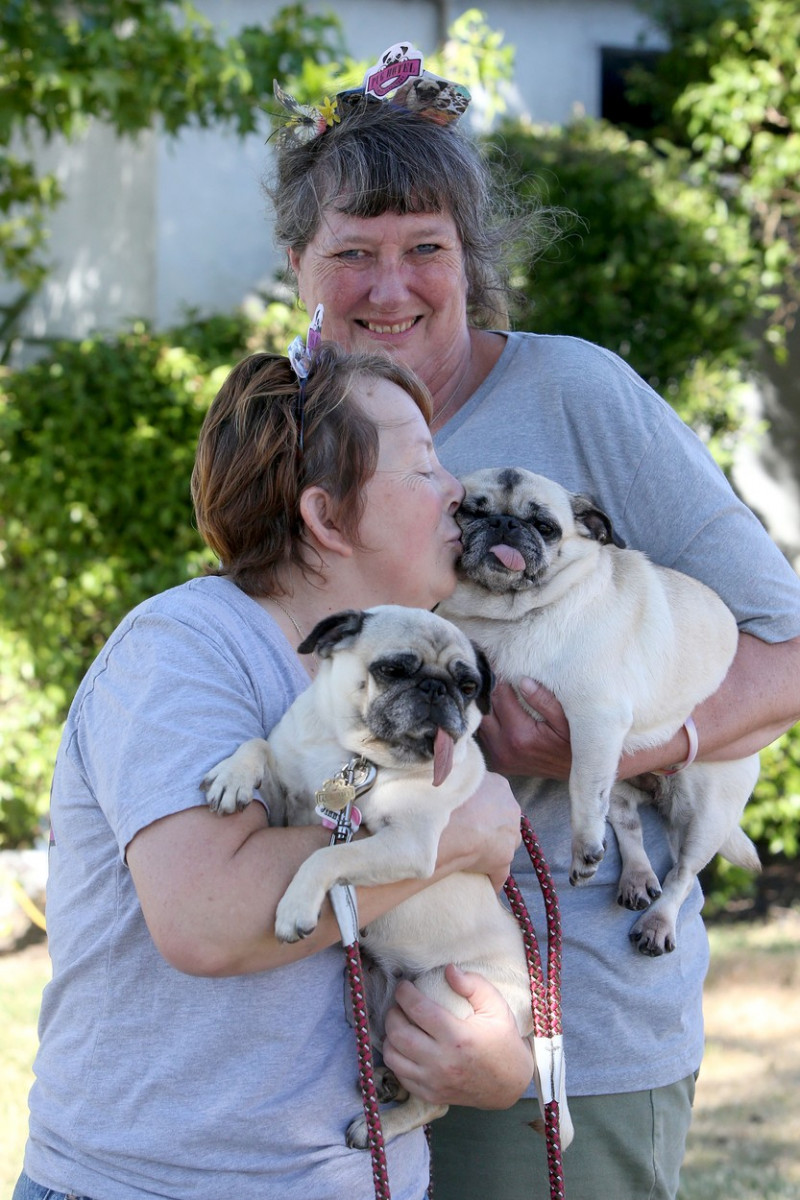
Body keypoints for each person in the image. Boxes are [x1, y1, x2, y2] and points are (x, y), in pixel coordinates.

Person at [266, 43, 800, 1200]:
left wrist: (636, 748)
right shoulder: (285, 429)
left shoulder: (576, 394)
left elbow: (789, 643)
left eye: (426, 249)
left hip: (568, 1025)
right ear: (298, 265)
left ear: (474, 261)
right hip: (324, 1031)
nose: (389, 285)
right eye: (351, 252)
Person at [13, 341, 532, 1200]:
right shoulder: (183, 652)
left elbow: (332, 823)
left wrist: (494, 1066)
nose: (457, 491)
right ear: (328, 519)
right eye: (425, 465)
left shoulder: (383, 694)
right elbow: (209, 917)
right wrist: (455, 837)